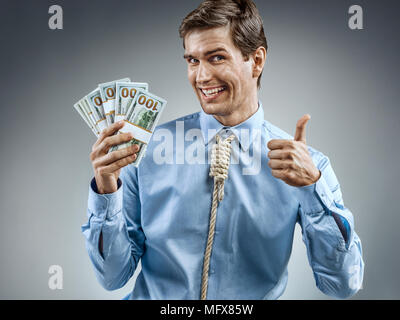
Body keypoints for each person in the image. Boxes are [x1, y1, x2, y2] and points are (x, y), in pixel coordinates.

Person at [82, 0, 364, 300]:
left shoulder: (307, 167)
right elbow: (112, 277)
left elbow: (342, 285)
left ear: (256, 61)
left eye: (216, 58)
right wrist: (106, 189)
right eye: (192, 60)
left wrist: (312, 189)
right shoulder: (146, 151)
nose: (201, 77)